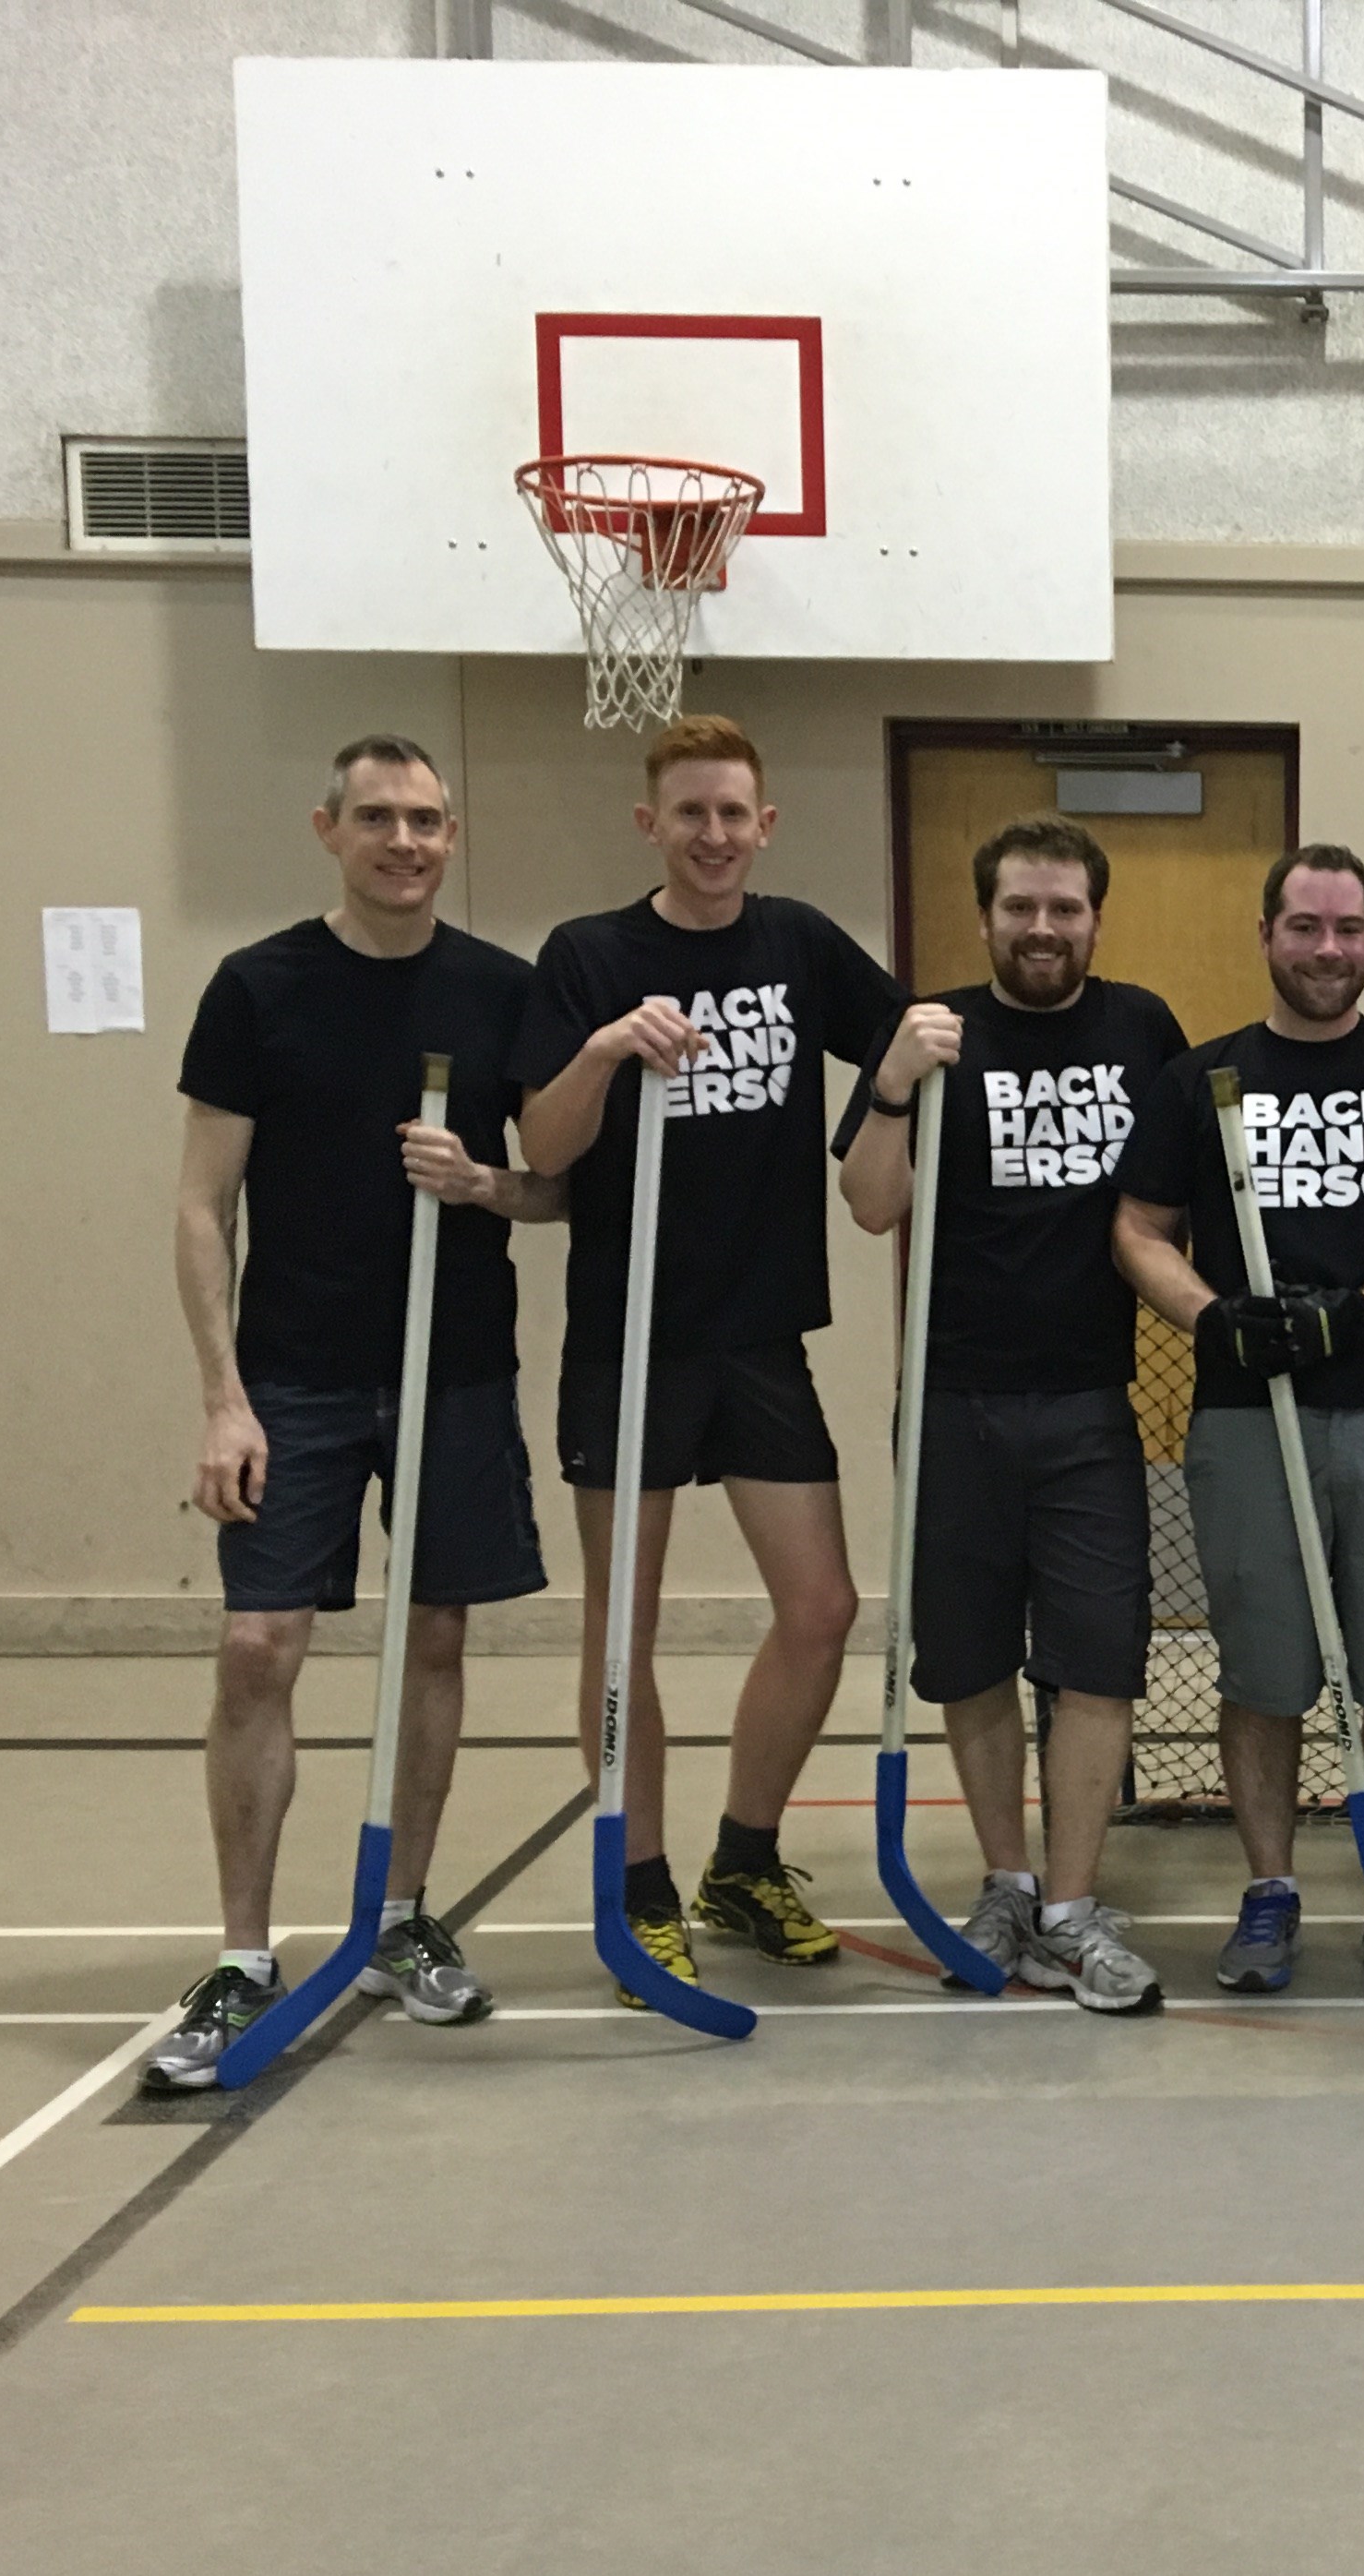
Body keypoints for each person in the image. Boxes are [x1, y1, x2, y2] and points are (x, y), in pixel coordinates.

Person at [144, 734, 557, 2088]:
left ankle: (399, 1917)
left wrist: (484, 1181)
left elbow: (560, 1187)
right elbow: (203, 1205)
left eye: (427, 819)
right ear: (329, 827)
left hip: (454, 1371)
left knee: (429, 1641)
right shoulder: (259, 987)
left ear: (452, 835)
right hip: (297, 1381)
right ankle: (246, 1954)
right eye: (377, 817)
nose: (404, 841)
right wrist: (224, 1401)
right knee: (259, 1646)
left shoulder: (502, 993)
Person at [511, 714, 935, 2002]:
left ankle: (742, 1863)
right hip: (631, 1338)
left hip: (760, 1334)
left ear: (765, 824)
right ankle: (636, 1880)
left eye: (731, 814)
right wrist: (602, 1050)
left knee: (822, 1610)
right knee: (622, 1625)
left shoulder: (797, 943)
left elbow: (901, 1037)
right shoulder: (590, 956)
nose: (711, 835)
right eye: (688, 813)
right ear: (652, 824)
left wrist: (904, 1073)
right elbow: (542, 1148)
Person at [1113, 845, 1364, 1994]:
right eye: (1304, 928)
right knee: (1263, 1668)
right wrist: (1212, 1316)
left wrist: (1356, 1317)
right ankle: (1273, 1890)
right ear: (1268, 934)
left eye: (1347, 929)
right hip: (1246, 1419)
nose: (1327, 950)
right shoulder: (1202, 1080)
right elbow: (1139, 1229)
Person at [836, 817, 1185, 2015]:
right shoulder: (929, 1033)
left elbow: (1176, 1205)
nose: (1044, 928)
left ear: (1095, 915)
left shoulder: (1141, 1030)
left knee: (1094, 1662)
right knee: (971, 1661)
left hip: (1091, 1402)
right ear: (984, 915)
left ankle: (1074, 1912)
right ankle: (1005, 1880)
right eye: (1021, 908)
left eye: (1065, 909)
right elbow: (872, 1209)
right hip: (950, 1403)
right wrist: (888, 1088)